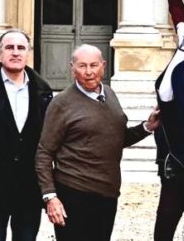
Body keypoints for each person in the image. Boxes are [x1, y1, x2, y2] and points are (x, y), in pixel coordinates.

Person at [35, 44, 160, 241]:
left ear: (103, 66)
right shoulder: (61, 104)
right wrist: (50, 197)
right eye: (82, 66)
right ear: (72, 68)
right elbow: (44, 153)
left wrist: (147, 126)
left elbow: (115, 138)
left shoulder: (110, 94)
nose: (89, 72)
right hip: (73, 192)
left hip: (107, 194)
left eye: (94, 65)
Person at [0, 30, 54, 241]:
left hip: (29, 187)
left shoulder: (43, 91)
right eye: (10, 48)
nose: (15, 53)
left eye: (21, 48)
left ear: (28, 53)